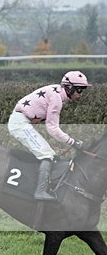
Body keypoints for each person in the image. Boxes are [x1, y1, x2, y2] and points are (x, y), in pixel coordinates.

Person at [7, 70, 91, 200]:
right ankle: (39, 192)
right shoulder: (57, 98)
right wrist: (73, 142)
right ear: (69, 88)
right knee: (46, 154)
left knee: (50, 154)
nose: (81, 94)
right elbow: (52, 128)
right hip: (20, 124)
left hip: (22, 121)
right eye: (79, 90)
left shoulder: (57, 93)